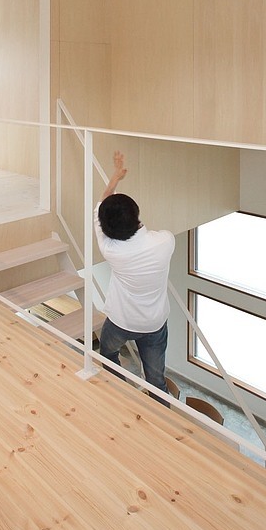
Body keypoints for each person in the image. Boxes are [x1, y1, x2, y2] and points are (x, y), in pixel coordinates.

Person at [95, 151, 175, 403]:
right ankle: (163, 417)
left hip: (121, 321)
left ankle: (120, 393)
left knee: (107, 353)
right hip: (154, 324)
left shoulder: (109, 249)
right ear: (137, 217)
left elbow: (102, 203)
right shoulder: (165, 242)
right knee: (156, 379)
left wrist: (114, 177)